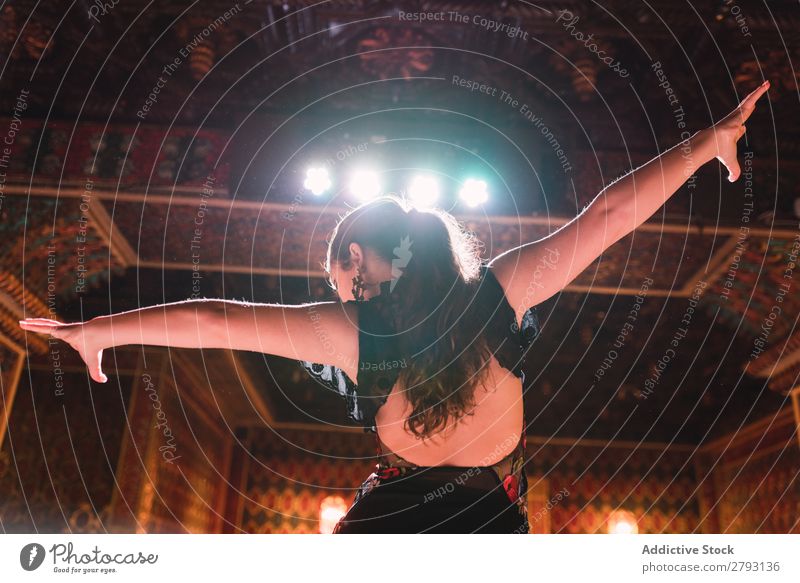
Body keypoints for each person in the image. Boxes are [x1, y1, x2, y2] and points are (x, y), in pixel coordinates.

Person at [19, 80, 770, 533]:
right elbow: (606, 218)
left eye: (336, 274)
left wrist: (99, 332)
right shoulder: (499, 293)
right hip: (487, 517)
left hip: (393, 517)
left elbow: (215, 318)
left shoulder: (350, 331)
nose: (338, 288)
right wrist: (707, 141)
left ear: (352, 260)